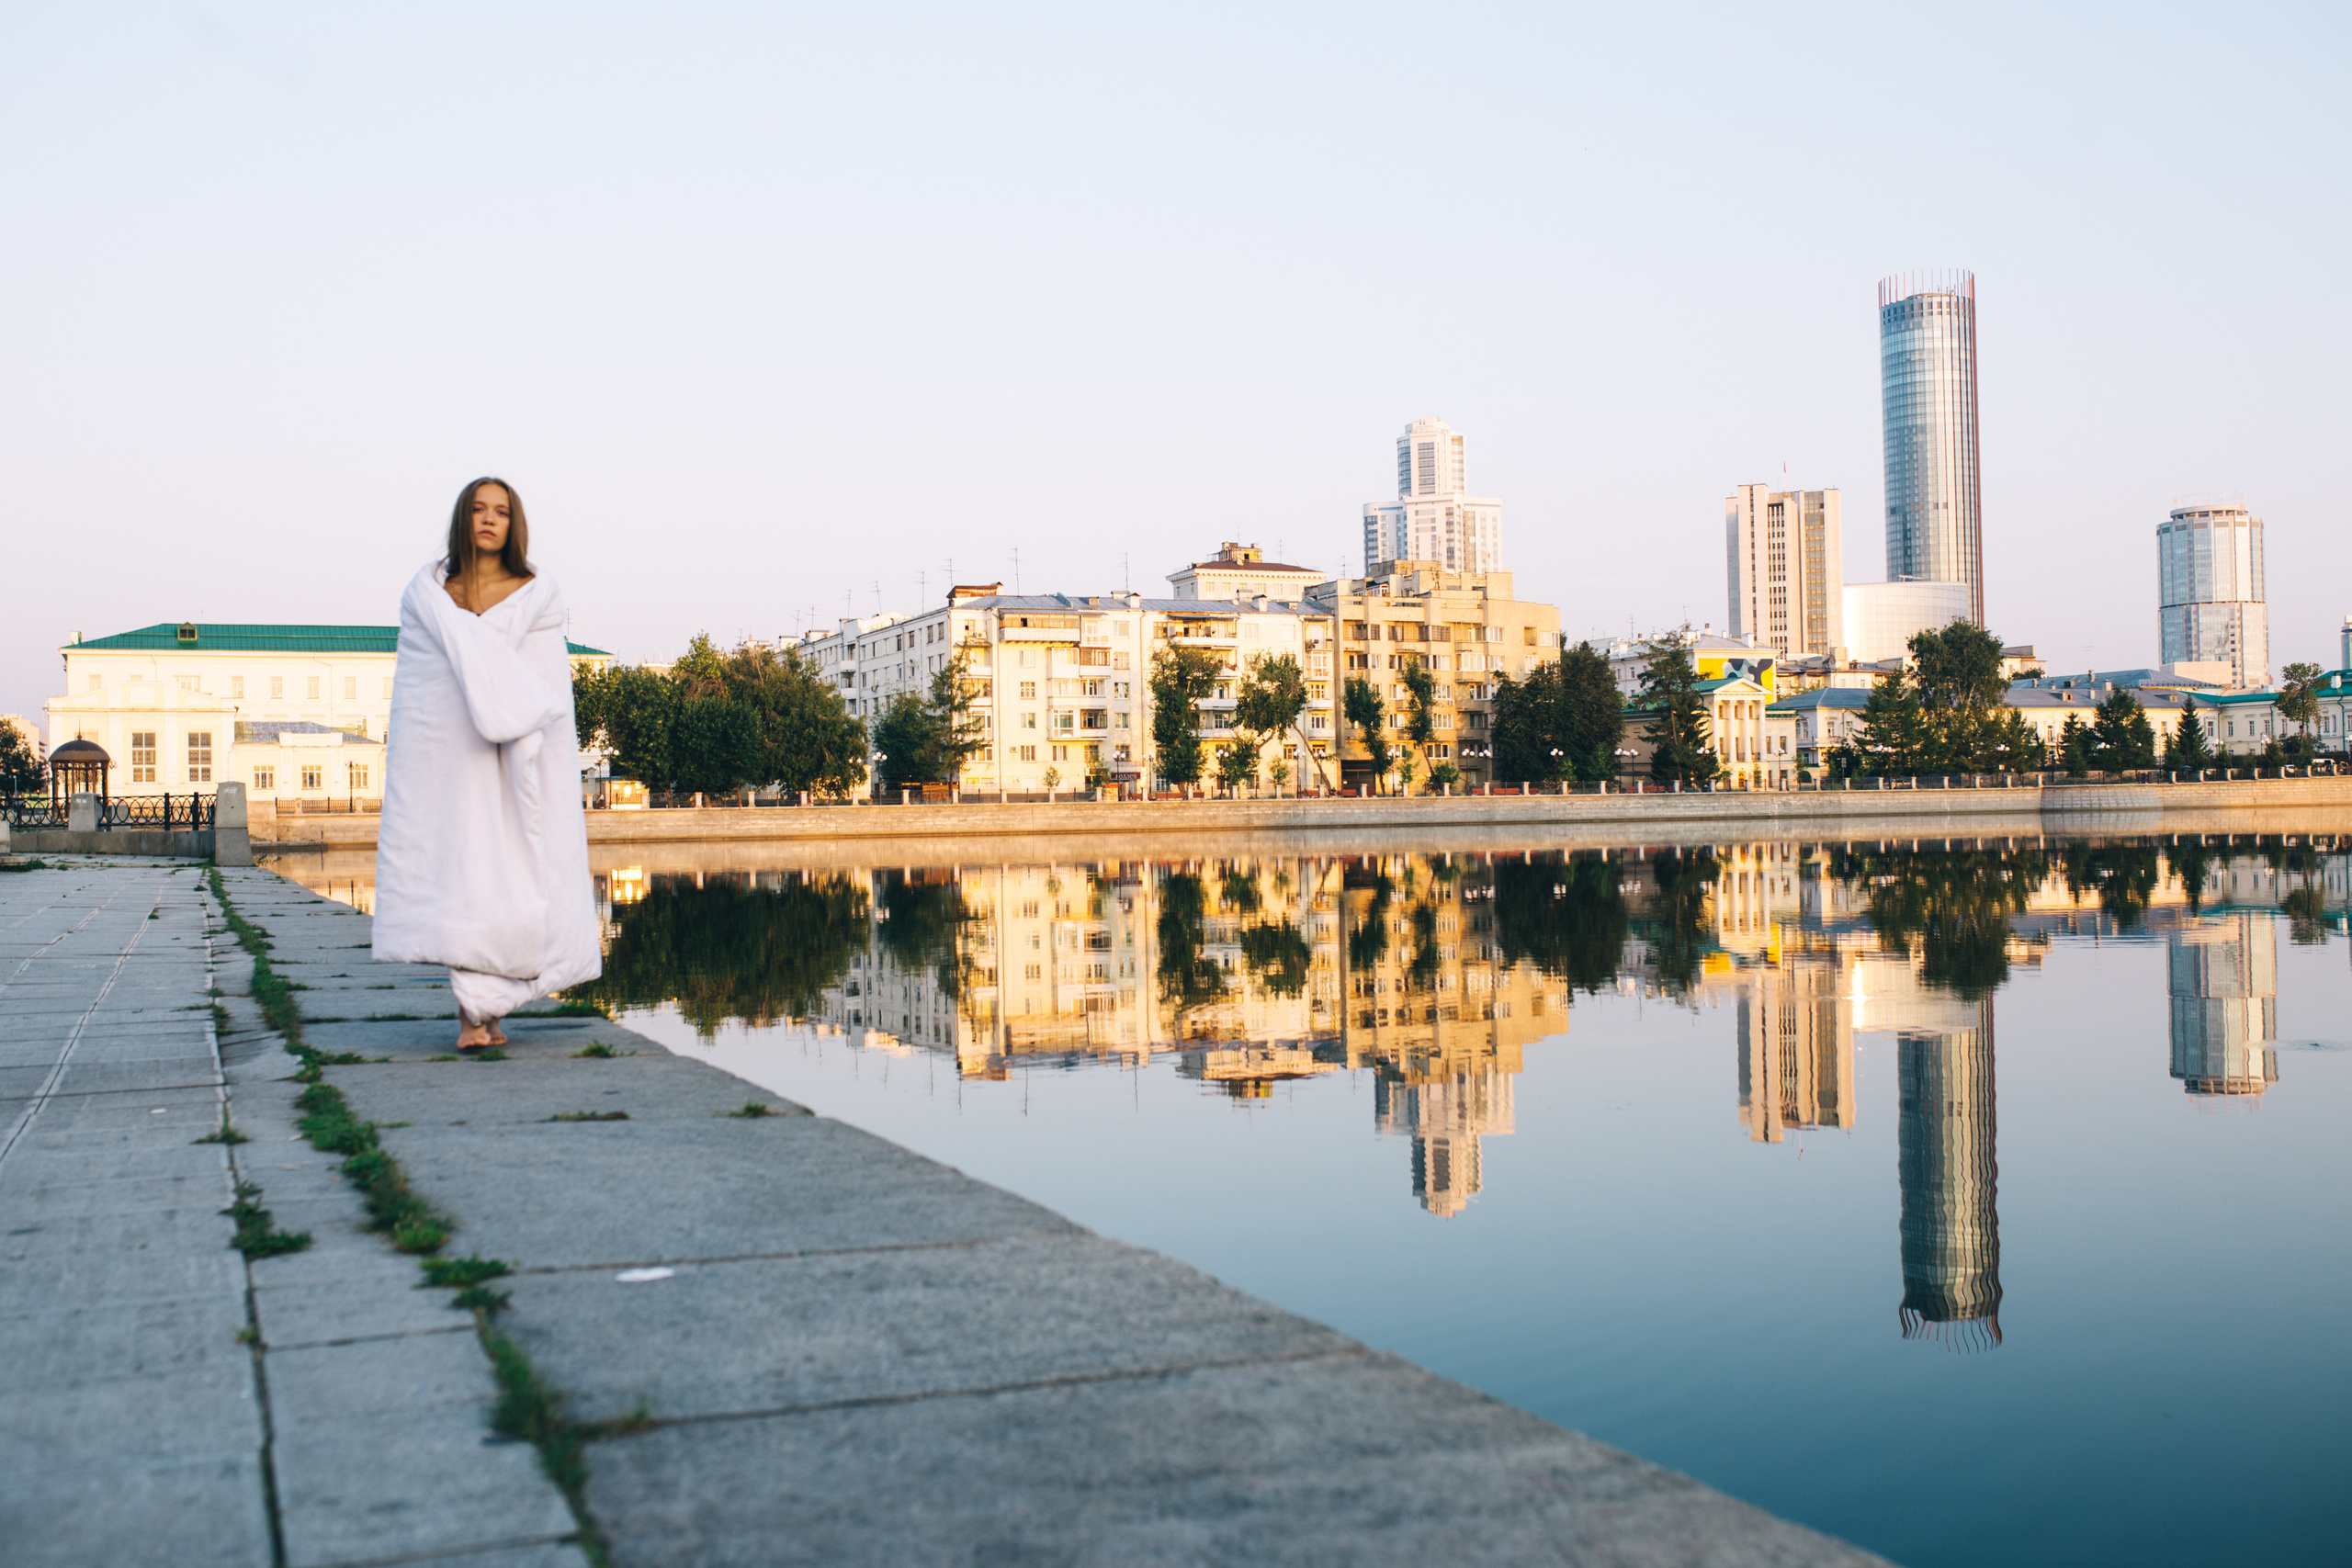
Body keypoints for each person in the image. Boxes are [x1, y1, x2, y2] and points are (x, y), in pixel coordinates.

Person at [373, 478, 600, 1048]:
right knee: (468, 875)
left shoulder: (538, 595)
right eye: (479, 509)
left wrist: (509, 715)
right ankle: (474, 1016)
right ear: (463, 518)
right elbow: (423, 697)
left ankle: (485, 1014)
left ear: (513, 522)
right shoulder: (428, 597)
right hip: (453, 758)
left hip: (524, 756)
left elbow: (546, 685)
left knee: (521, 877)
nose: (490, 519)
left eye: (502, 511)